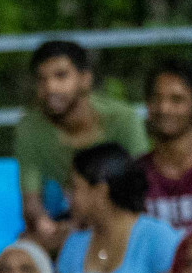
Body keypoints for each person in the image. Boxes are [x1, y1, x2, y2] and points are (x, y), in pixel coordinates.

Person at [15, 40, 150, 255]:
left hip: (124, 217)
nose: (50, 87)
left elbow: (145, 186)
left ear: (85, 79)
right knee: (23, 250)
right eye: (42, 80)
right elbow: (31, 202)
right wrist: (45, 225)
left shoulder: (122, 119)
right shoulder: (29, 128)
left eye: (61, 76)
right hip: (69, 220)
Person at [57, 143, 180, 273]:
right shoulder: (75, 244)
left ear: (100, 191)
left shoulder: (157, 237)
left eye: (75, 187)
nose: (67, 198)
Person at [140, 57, 192, 236]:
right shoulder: (134, 174)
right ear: (148, 106)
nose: (164, 108)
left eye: (177, 100)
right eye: (157, 99)